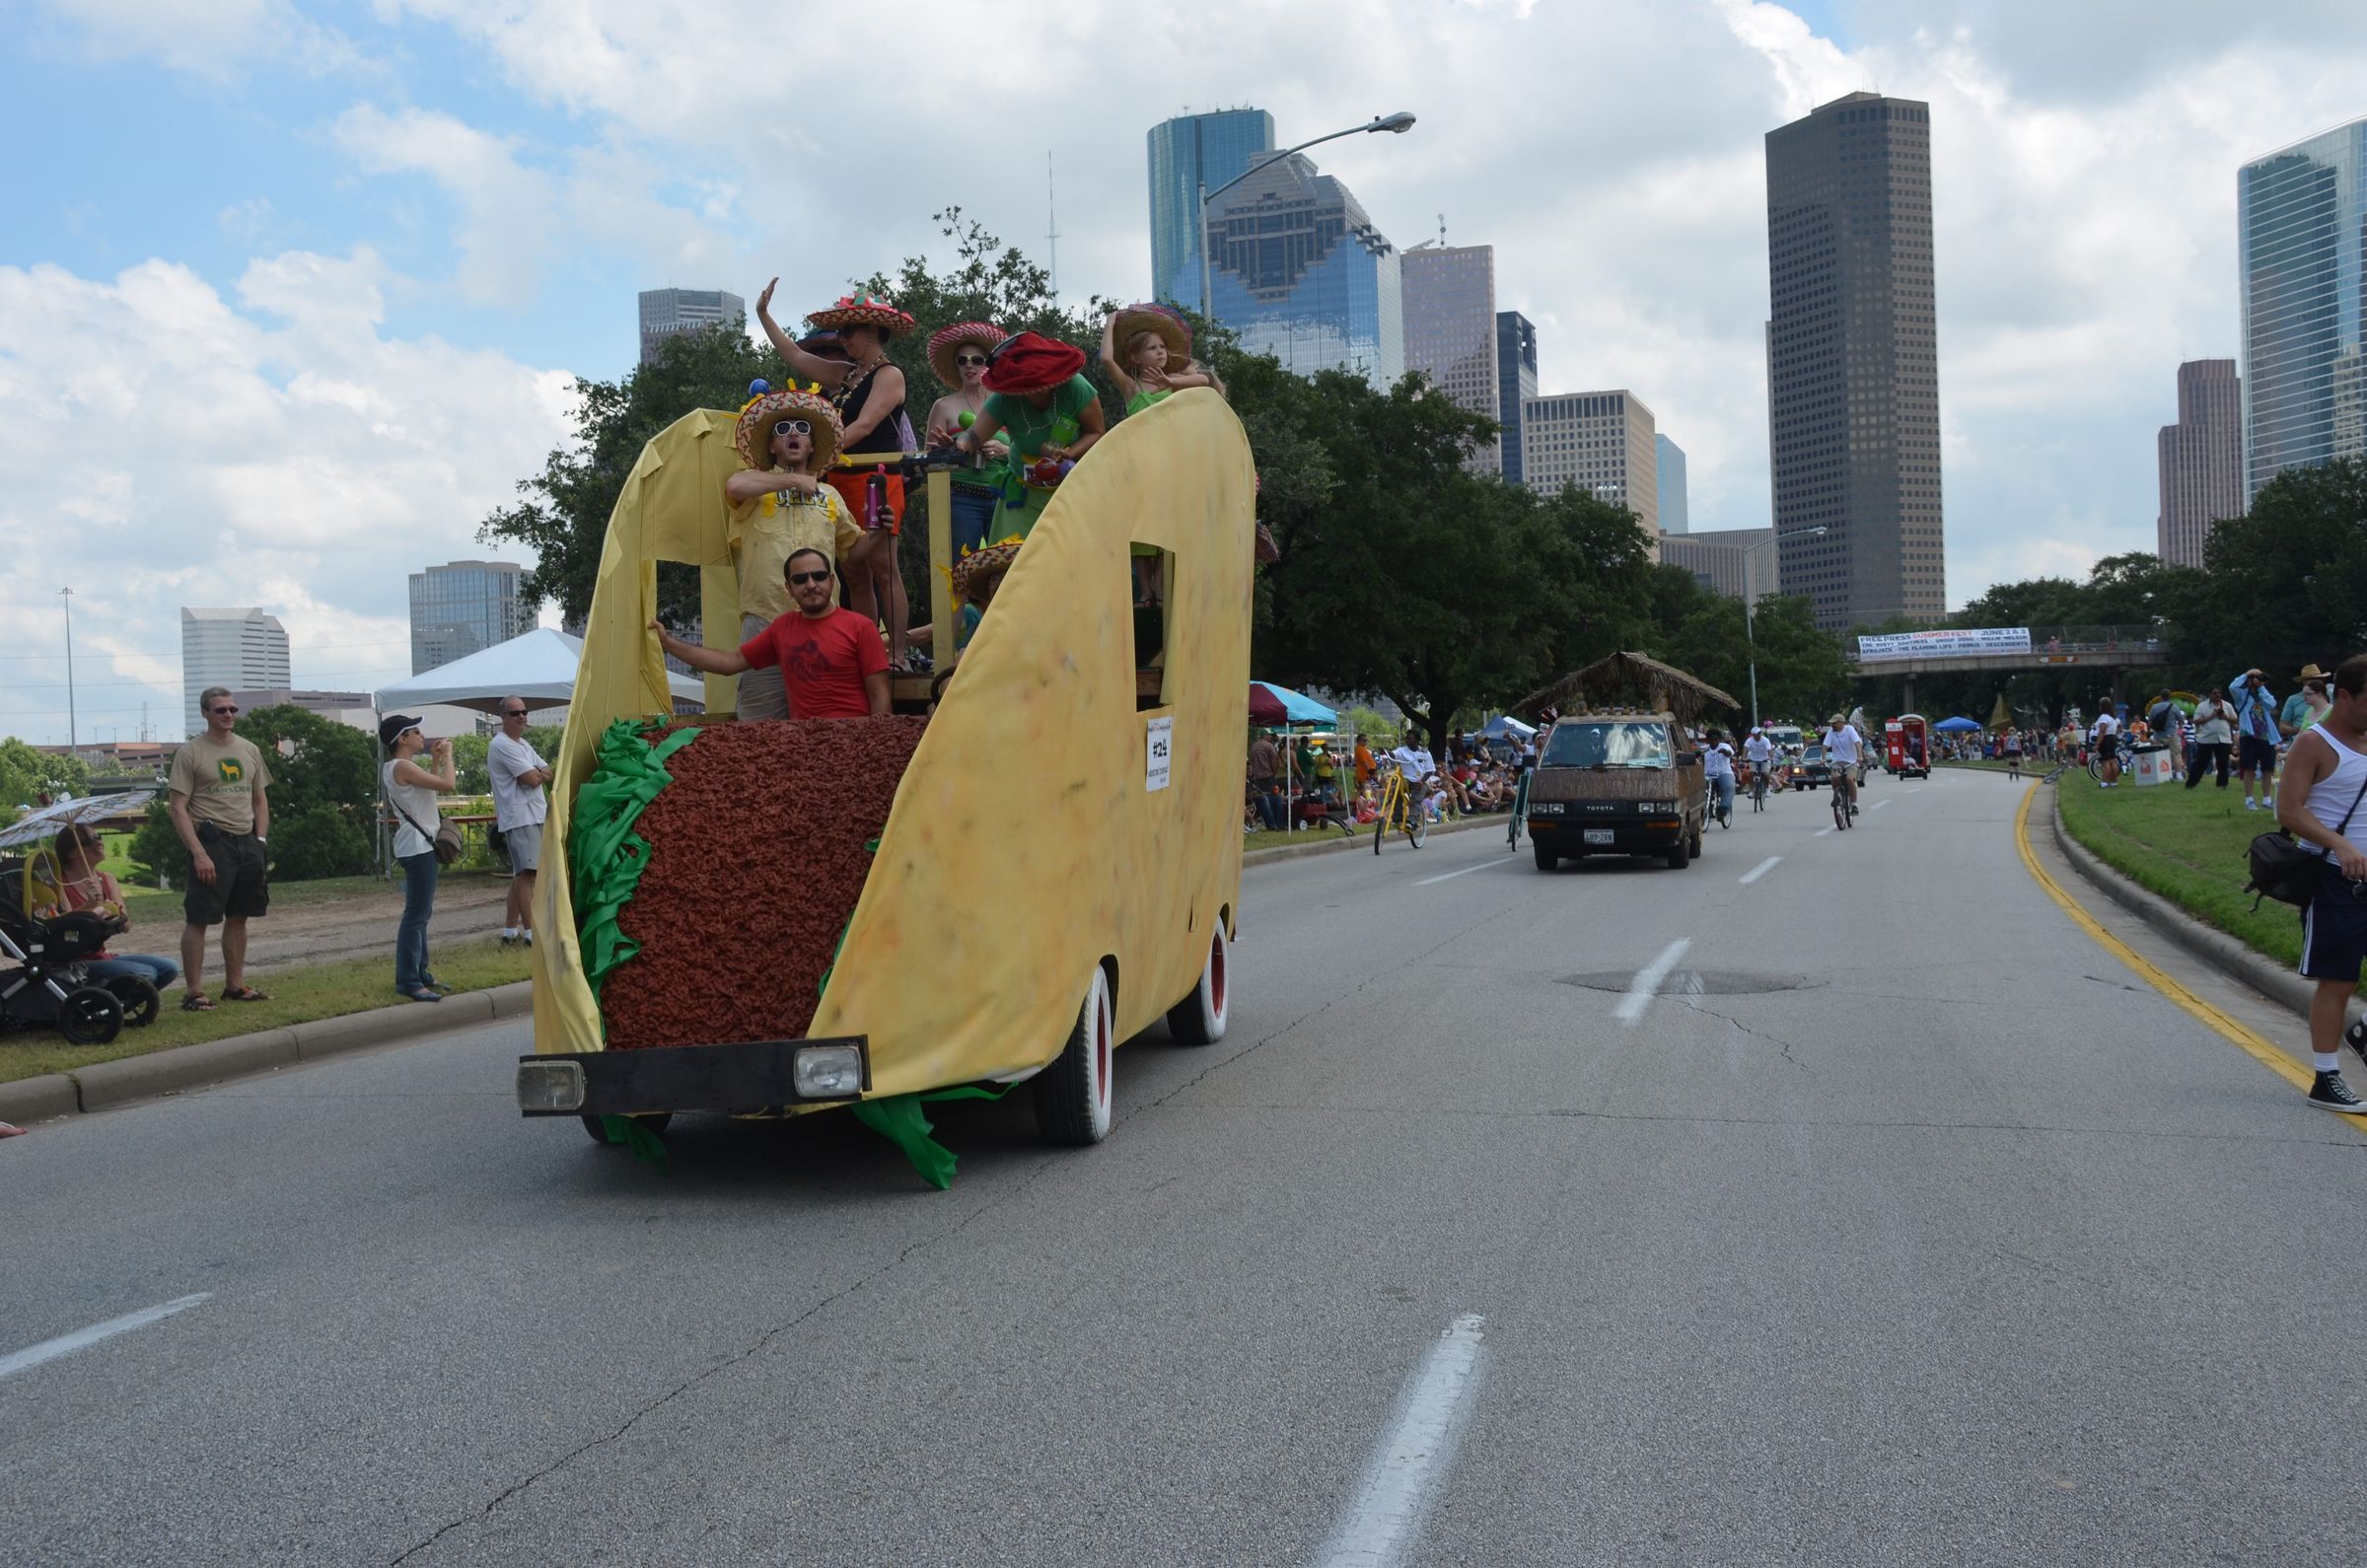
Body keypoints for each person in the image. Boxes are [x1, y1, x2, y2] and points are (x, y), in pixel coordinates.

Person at [754, 283, 918, 668]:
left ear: (873, 331)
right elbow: (794, 354)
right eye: (840, 331)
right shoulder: (847, 374)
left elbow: (864, 426)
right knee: (853, 572)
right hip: (839, 480)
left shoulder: (889, 374)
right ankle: (868, 652)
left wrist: (815, 455)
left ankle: (898, 654)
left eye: (848, 331)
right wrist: (763, 315)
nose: (842, 338)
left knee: (883, 569)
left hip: (876, 478)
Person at [724, 387, 862, 719]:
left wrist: (882, 529)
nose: (793, 434)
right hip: (766, 619)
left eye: (802, 428)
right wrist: (793, 482)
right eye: (782, 429)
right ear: (772, 447)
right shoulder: (754, 488)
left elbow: (854, 552)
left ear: (812, 445)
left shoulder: (830, 495)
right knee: (759, 729)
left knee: (826, 724)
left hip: (822, 623)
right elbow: (734, 487)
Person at [2272, 653, 2367, 1113]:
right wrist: (2340, 844)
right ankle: (2326, 1078)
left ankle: (2363, 1032)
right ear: (2344, 696)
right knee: (2338, 980)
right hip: (2336, 879)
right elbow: (2289, 810)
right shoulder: (2314, 743)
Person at [651, 548, 891, 718]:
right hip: (805, 745)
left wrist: (873, 746)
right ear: (788, 588)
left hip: (854, 738)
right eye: (800, 579)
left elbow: (880, 695)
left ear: (831, 580)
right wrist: (667, 642)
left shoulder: (861, 627)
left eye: (818, 576)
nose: (810, 584)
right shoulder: (782, 627)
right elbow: (729, 663)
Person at [1101, 304, 1221, 608]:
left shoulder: (1174, 383)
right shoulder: (1133, 388)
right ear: (1135, 357)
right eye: (1152, 348)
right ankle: (1145, 591)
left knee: (1168, 525)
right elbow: (1106, 359)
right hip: (1139, 469)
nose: (1160, 352)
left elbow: (1205, 381)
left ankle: (1160, 584)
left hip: (1171, 468)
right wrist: (1110, 324)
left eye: (1163, 347)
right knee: (1140, 528)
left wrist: (1172, 382)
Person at [167, 686, 273, 1012]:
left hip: (247, 842)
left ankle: (235, 986)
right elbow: (177, 808)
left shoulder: (249, 749)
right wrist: (199, 852)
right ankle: (194, 992)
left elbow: (260, 799)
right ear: (205, 713)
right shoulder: (191, 753)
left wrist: (260, 841)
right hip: (213, 843)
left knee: (240, 916)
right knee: (199, 918)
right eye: (220, 710)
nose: (228, 714)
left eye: (232, 709)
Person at [953, 331, 1108, 542]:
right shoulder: (1004, 399)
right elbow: (973, 436)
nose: (1032, 393)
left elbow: (1096, 432)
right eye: (1025, 388)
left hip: (1072, 488)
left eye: (1039, 386)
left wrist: (1070, 453)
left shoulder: (1075, 387)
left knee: (1071, 553)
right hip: (1023, 492)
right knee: (1014, 556)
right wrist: (958, 446)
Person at [43, 822, 180, 993]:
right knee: (146, 974)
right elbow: (66, 926)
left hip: (100, 956)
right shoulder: (59, 883)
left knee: (169, 968)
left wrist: (115, 915)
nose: (99, 842)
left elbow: (126, 926)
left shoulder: (107, 879)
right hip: (75, 962)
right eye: (92, 839)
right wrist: (89, 907)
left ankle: (116, 1002)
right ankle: (101, 1001)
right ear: (73, 852)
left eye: (99, 836)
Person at [381, 715, 457, 1004]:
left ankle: (421, 974)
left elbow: (429, 788)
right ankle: (409, 981)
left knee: (421, 915)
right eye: (416, 732)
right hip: (418, 847)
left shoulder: (399, 767)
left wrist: (435, 760)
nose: (421, 735)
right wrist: (447, 756)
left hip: (416, 845)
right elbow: (447, 784)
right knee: (415, 916)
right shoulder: (402, 766)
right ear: (402, 739)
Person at [922, 321, 1008, 559]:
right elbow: (927, 462)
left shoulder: (1005, 403)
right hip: (961, 499)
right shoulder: (943, 406)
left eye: (977, 360)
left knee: (1007, 566)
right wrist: (950, 451)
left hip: (1002, 497)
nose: (969, 365)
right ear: (957, 366)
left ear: (988, 364)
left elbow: (1023, 449)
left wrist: (1003, 449)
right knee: (962, 568)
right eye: (962, 360)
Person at [487, 696, 550, 948]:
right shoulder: (502, 745)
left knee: (521, 874)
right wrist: (535, 773)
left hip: (533, 813)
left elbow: (546, 771)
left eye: (524, 711)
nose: (522, 716)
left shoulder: (523, 744)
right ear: (503, 717)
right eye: (515, 713)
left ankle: (510, 930)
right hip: (520, 816)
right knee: (528, 875)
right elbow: (533, 779)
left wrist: (536, 773)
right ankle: (531, 932)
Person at [2230, 668, 2283, 811]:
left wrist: (2261, 687)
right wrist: (2246, 674)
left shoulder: (2262, 694)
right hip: (2249, 735)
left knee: (2268, 768)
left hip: (2266, 736)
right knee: (2249, 768)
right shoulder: (2241, 695)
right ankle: (2249, 800)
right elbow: (2232, 687)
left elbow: (2271, 703)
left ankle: (2267, 799)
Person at [2188, 687, 2236, 789]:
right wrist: (2211, 716)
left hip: (2224, 738)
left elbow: (2235, 720)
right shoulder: (2202, 706)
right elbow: (2196, 721)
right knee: (2201, 762)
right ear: (2210, 695)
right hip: (2206, 739)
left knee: (2223, 763)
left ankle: (2222, 785)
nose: (2217, 695)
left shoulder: (2227, 705)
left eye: (2219, 693)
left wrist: (2225, 716)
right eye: (2215, 693)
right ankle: (2191, 784)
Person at [2282, 664, 2332, 750]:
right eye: (2310, 679)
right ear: (2303, 682)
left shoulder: (2331, 695)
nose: (2315, 682)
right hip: (2299, 743)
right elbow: (2283, 727)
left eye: (2318, 679)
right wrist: (2305, 729)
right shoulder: (2293, 700)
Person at [1823, 713, 1863, 814]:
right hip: (1837, 761)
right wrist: (1823, 758)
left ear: (1841, 723)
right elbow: (1825, 746)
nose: (1832, 725)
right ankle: (1837, 796)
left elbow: (1857, 743)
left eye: (1834, 723)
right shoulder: (1831, 731)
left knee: (1849, 779)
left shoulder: (1849, 729)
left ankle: (1854, 804)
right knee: (1835, 777)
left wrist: (1859, 756)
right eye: (1831, 723)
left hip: (1851, 762)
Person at [1248, 732, 1284, 832]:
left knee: (1265, 799)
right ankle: (1277, 823)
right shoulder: (1269, 746)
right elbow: (1274, 762)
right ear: (1267, 736)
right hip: (1268, 778)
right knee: (1276, 798)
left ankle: (1269, 822)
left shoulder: (1254, 746)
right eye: (1271, 737)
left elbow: (1251, 761)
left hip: (1256, 779)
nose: (1272, 739)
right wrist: (1274, 773)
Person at [1702, 727, 1737, 822]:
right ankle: (1706, 809)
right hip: (1708, 775)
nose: (1713, 742)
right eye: (1711, 740)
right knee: (1701, 789)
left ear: (1719, 740)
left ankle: (1723, 809)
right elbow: (1695, 754)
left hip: (1724, 773)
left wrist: (1725, 752)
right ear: (1708, 740)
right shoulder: (1704, 749)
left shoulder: (1725, 746)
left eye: (1716, 739)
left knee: (1729, 787)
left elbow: (1729, 753)